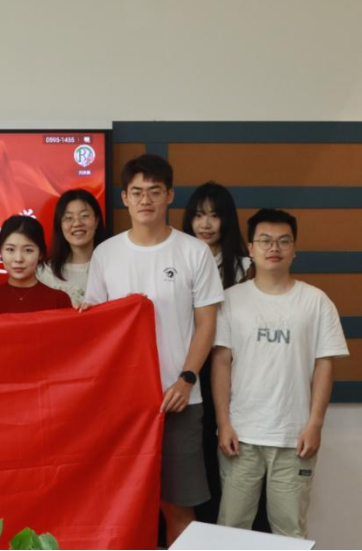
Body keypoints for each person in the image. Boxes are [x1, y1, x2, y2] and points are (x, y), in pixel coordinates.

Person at [84, 154, 225, 547]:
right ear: (124, 198)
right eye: (137, 192)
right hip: (122, 405)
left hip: (179, 399)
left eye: (154, 191)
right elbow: (96, 326)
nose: (145, 200)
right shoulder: (106, 254)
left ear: (170, 196)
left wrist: (186, 378)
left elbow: (207, 324)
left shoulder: (193, 252)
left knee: (178, 508)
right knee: (124, 506)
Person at [213, 209, 349, 539]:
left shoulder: (316, 302)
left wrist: (315, 424)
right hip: (241, 436)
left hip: (294, 438)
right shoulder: (231, 300)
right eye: (265, 240)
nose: (274, 247)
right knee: (231, 530)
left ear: (294, 249)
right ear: (251, 248)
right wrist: (224, 423)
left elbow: (324, 365)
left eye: (283, 241)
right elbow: (221, 362)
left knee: (290, 533)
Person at [181, 181, 254, 527]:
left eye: (214, 215)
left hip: (232, 370)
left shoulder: (245, 266)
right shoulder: (177, 259)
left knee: (230, 450)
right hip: (187, 366)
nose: (206, 224)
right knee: (195, 454)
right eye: (198, 215)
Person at [0, 216, 72, 315]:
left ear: (40, 253)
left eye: (28, 250)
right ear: (0, 252)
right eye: (10, 249)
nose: (18, 259)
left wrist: (81, 314)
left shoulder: (59, 300)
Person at [37, 190, 106, 307]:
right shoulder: (44, 273)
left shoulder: (112, 266)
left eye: (84, 216)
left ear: (96, 221)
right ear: (60, 225)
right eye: (69, 218)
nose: (77, 223)